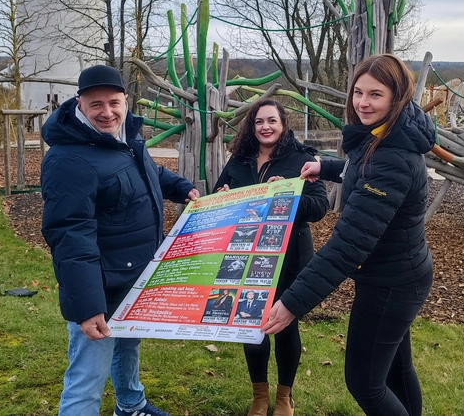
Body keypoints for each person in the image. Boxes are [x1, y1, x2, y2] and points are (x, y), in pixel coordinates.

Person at [262, 54, 436, 416]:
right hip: (399, 272)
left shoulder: (393, 154)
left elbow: (347, 245)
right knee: (396, 371)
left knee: (365, 383)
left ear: (397, 97)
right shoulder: (389, 134)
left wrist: (293, 302)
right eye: (358, 92)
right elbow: (365, 168)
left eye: (375, 94)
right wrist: (327, 167)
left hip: (391, 283)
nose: (363, 102)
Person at [41, 64, 200, 416]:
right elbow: (68, 233)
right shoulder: (68, 158)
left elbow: (149, 172)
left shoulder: (123, 138)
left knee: (127, 346)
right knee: (86, 377)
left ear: (125, 100)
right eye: (96, 104)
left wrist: (181, 187)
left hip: (133, 275)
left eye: (114, 102)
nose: (107, 111)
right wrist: (87, 305)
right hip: (100, 285)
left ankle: (131, 404)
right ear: (79, 103)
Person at [213, 98, 329, 416]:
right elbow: (216, 195)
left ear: (283, 124)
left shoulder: (301, 158)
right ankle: (260, 396)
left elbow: (320, 207)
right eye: (259, 121)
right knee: (251, 325)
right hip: (246, 255)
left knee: (284, 325)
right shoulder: (239, 160)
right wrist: (221, 199)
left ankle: (283, 398)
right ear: (252, 126)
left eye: (272, 121)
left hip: (289, 257)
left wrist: (290, 194)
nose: (265, 127)